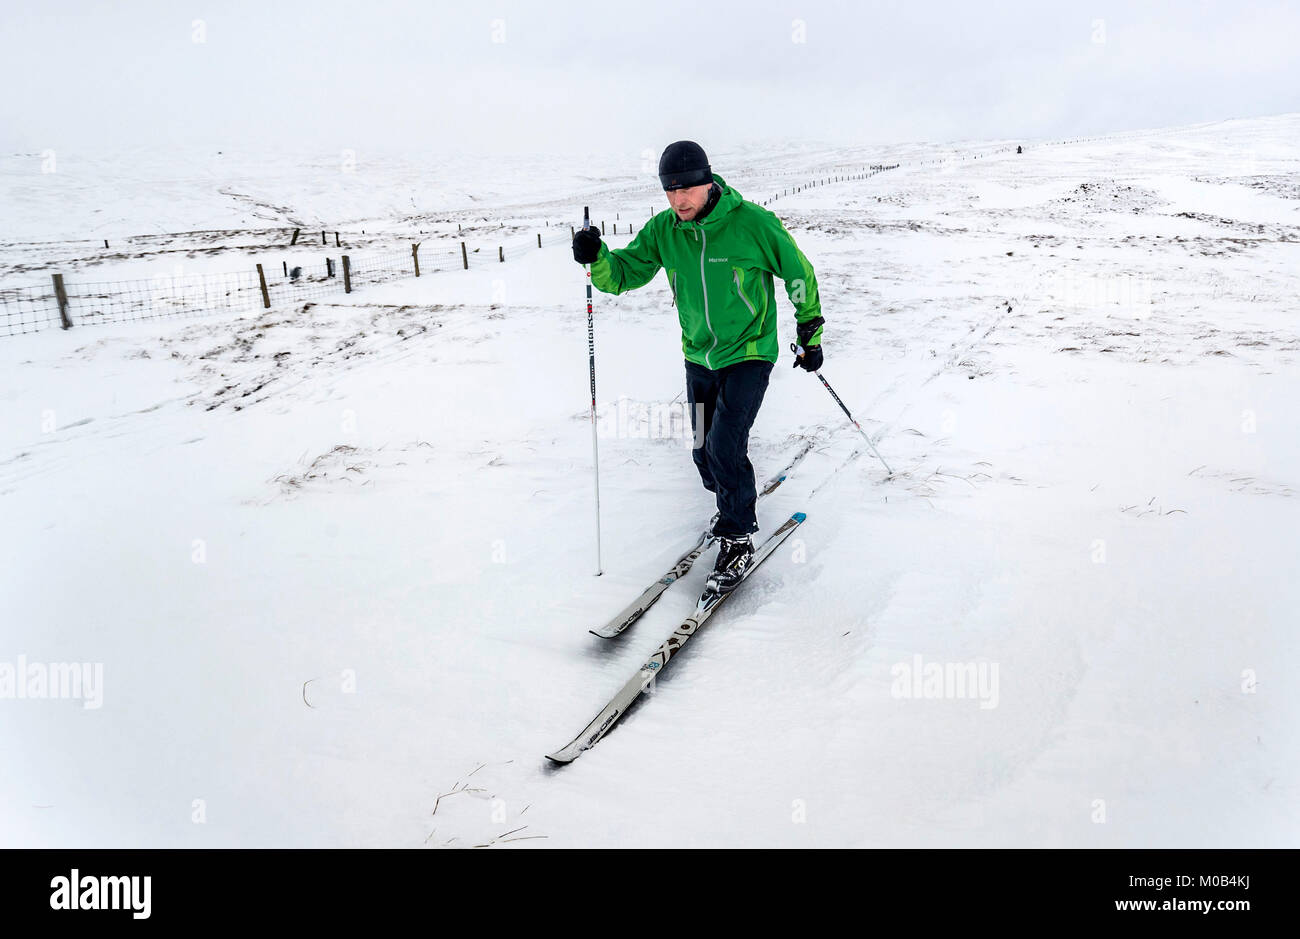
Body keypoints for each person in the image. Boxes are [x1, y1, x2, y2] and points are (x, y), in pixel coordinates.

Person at [571, 140, 824, 590]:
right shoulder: (665, 230)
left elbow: (798, 271)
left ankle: (738, 536)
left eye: (686, 189)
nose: (678, 200)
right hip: (698, 356)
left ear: (709, 181)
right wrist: (598, 258)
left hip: (749, 352)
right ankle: (730, 502)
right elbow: (625, 274)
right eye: (669, 190)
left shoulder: (753, 224)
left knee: (725, 445)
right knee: (702, 449)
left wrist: (810, 330)